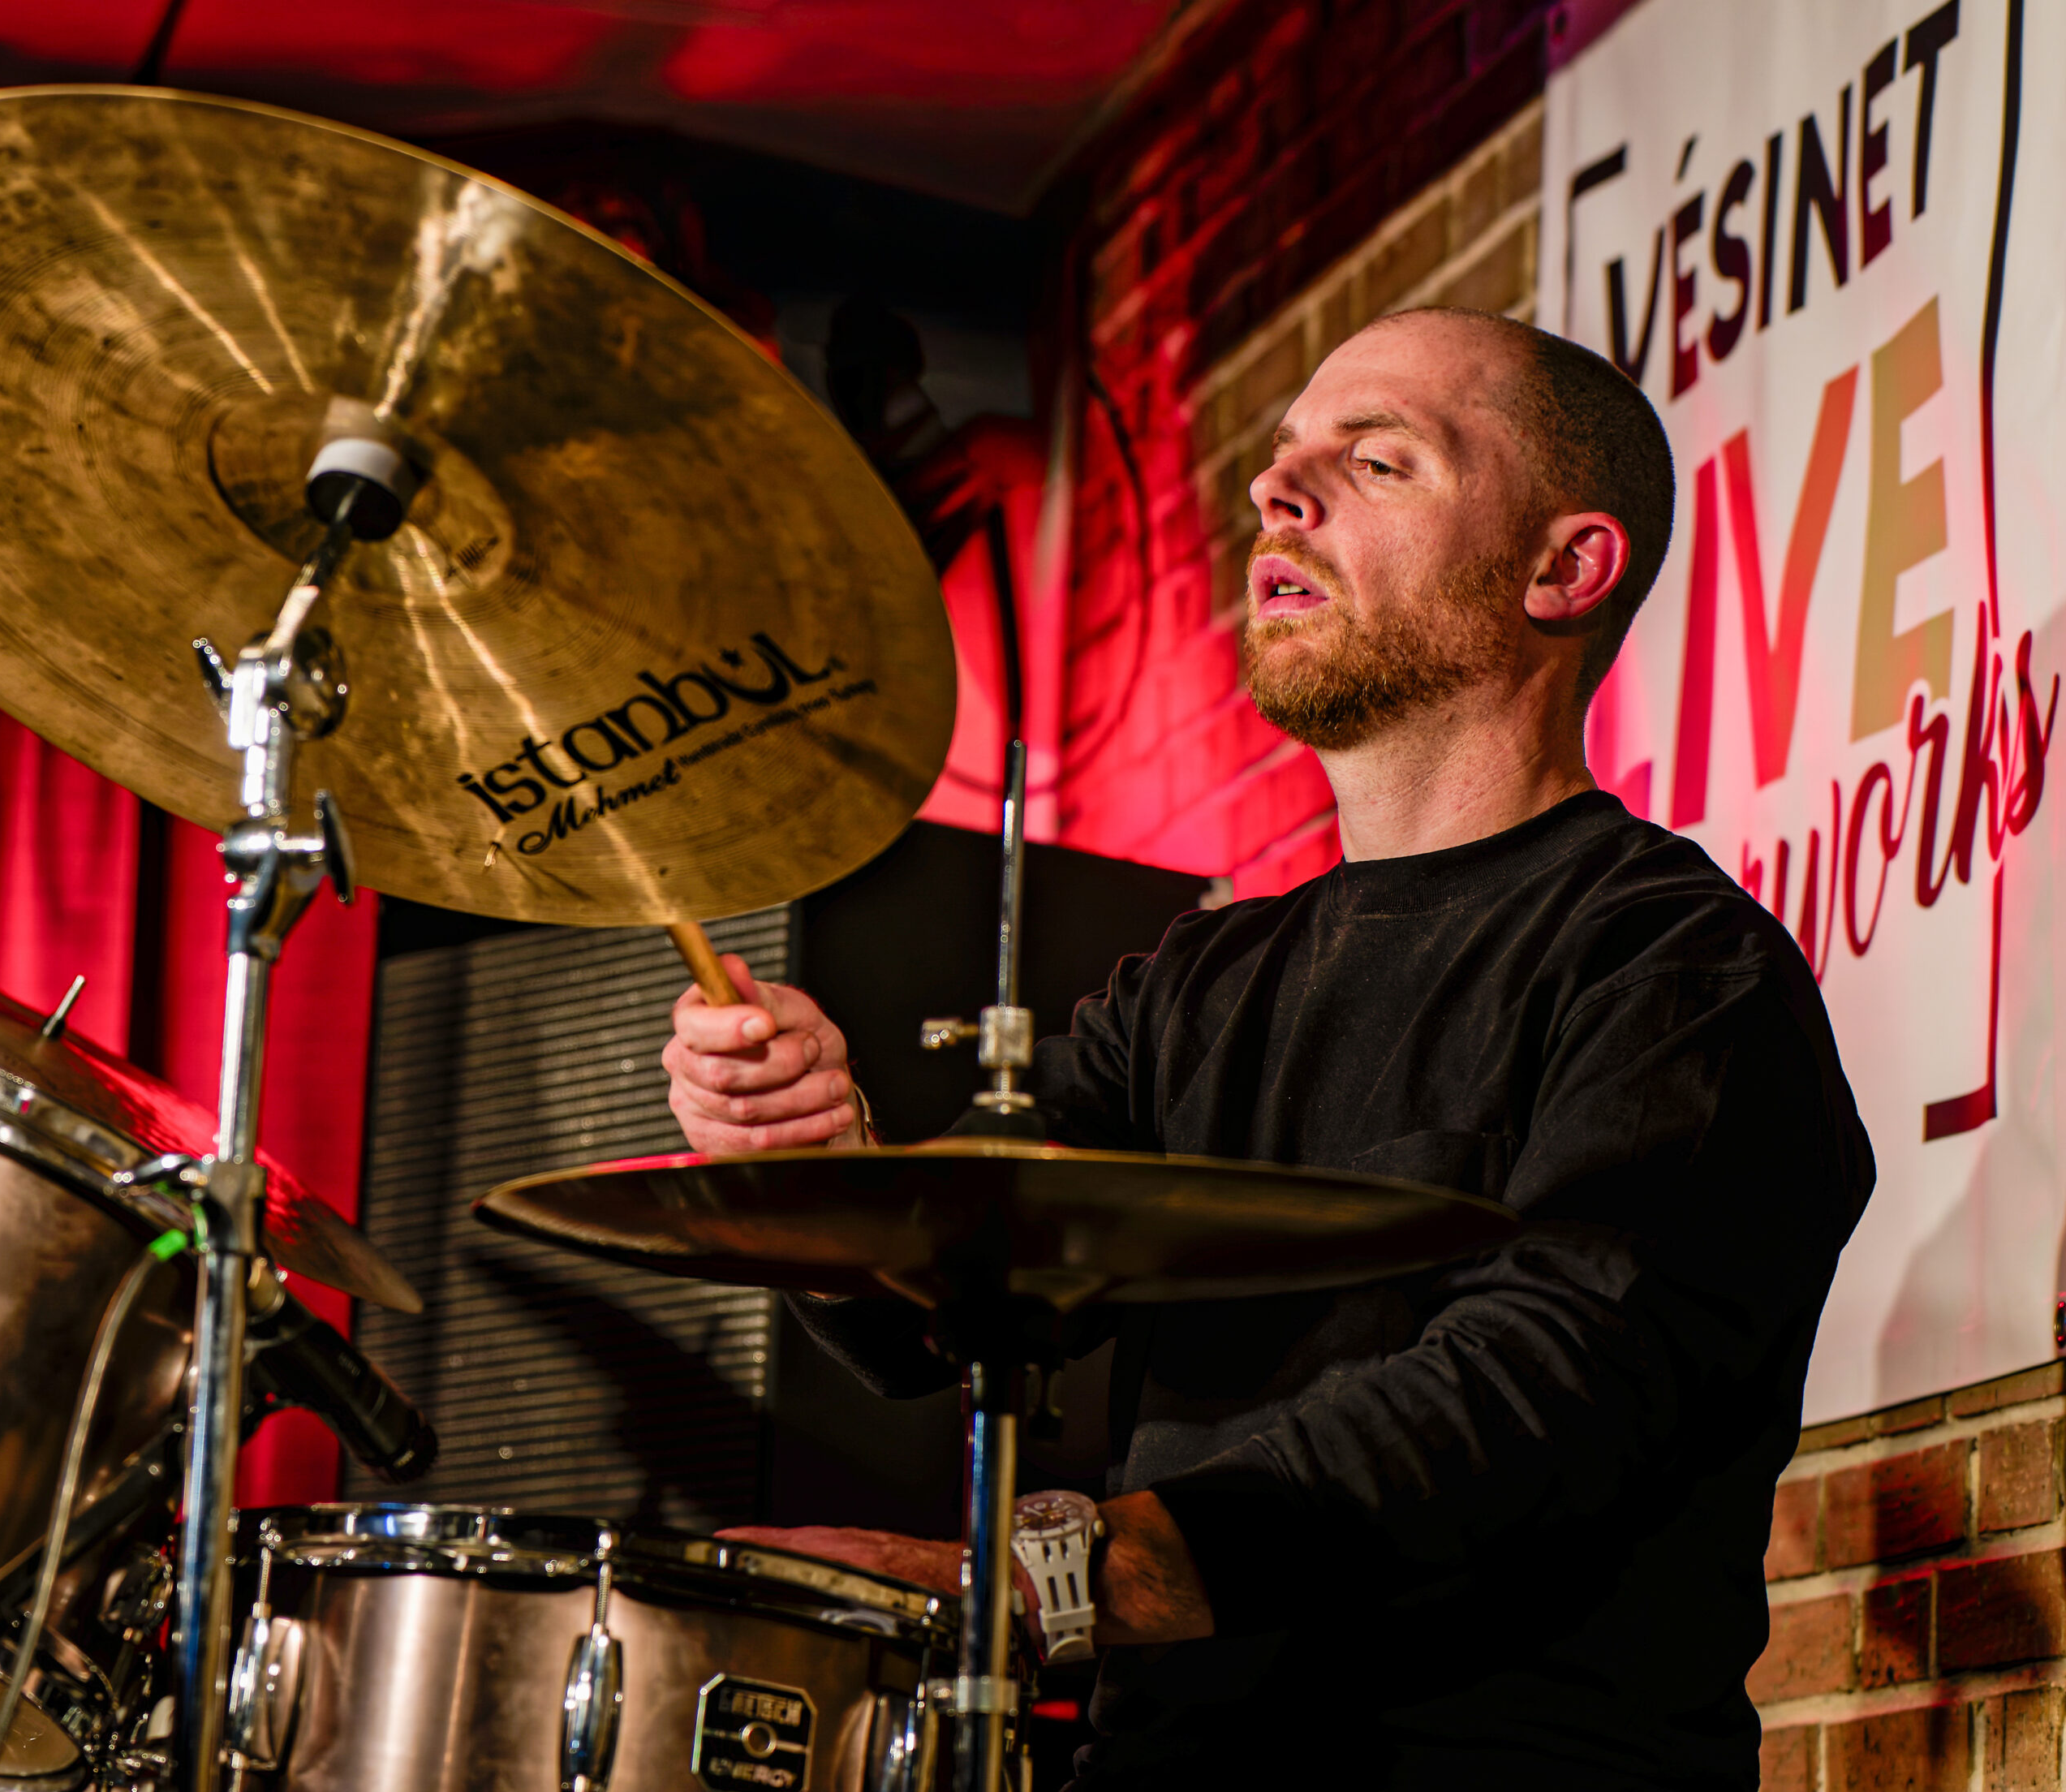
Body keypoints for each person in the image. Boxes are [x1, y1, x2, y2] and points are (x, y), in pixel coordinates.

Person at [661, 306, 1874, 1790]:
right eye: (1286, 455)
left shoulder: (1678, 970)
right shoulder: (1200, 982)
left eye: (1377, 461)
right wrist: (819, 1155)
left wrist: (1049, 1585)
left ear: (1566, 567)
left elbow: (1541, 1392)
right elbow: (954, 1297)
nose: (1274, 491)